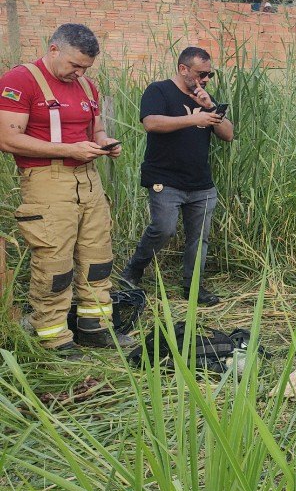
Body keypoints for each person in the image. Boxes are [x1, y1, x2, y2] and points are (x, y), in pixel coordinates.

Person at [0, 23, 136, 353]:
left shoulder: (89, 86)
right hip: (47, 183)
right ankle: (54, 336)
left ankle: (94, 325)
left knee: (97, 256)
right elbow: (7, 138)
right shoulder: (20, 80)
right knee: (54, 263)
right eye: (74, 65)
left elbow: (97, 129)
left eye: (85, 68)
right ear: (54, 49)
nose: (78, 73)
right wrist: (69, 150)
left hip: (89, 180)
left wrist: (105, 143)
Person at [119, 47, 235, 305]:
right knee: (163, 229)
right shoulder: (158, 91)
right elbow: (151, 123)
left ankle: (193, 288)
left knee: (199, 238)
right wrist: (194, 119)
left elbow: (227, 134)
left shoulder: (205, 99)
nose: (205, 80)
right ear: (183, 69)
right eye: (200, 74)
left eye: (209, 75)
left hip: (201, 182)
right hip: (165, 178)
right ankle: (133, 270)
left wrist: (211, 108)